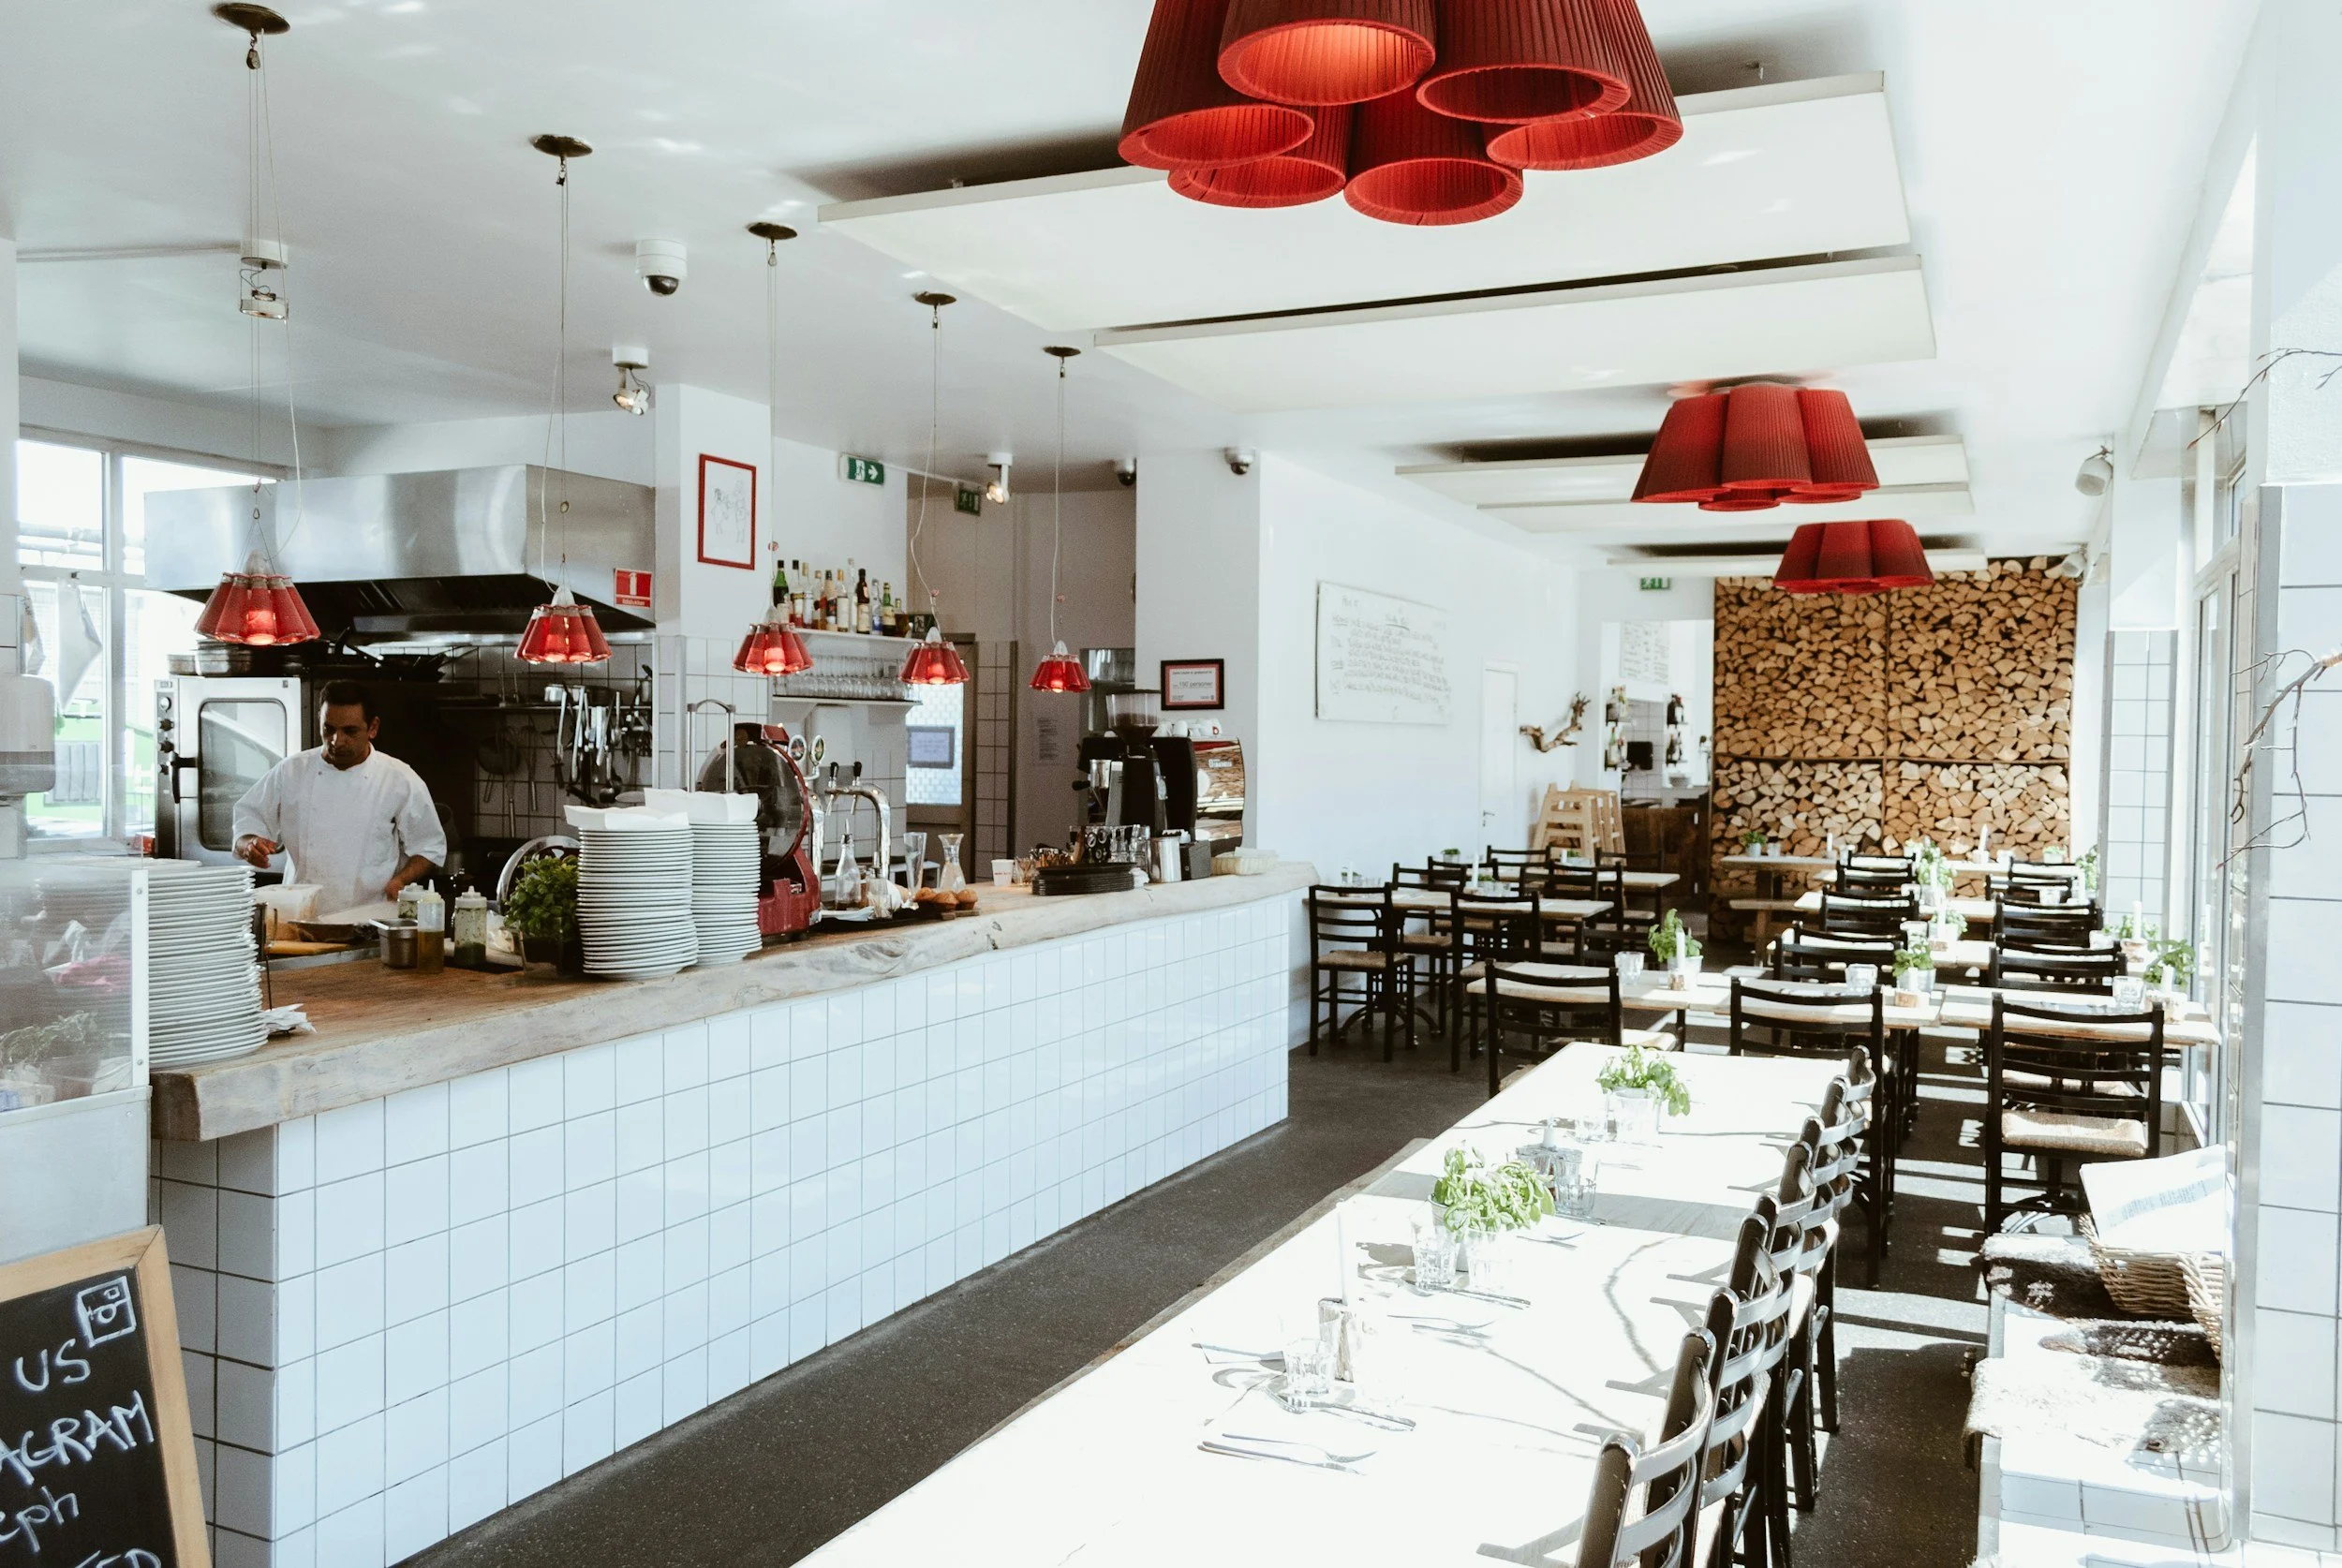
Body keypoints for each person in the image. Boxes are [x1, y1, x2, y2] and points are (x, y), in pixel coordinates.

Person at [232, 679, 447, 913]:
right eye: (329, 729)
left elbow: (429, 847)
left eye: (350, 731)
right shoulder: (291, 771)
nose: (337, 740)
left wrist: (400, 881)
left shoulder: (399, 779)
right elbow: (249, 818)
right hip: (301, 915)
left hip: (370, 916)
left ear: (372, 728)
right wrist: (249, 844)